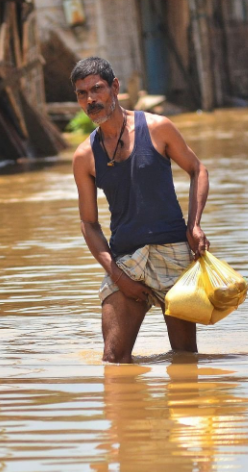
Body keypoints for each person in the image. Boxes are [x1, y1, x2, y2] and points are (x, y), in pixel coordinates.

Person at [70, 57, 210, 364]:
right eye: (82, 93)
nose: (91, 99)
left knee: (185, 358)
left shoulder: (158, 128)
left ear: (115, 87)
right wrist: (118, 276)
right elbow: (89, 224)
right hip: (126, 260)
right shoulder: (84, 156)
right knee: (113, 360)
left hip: (173, 253)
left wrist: (194, 225)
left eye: (97, 89)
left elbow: (197, 170)